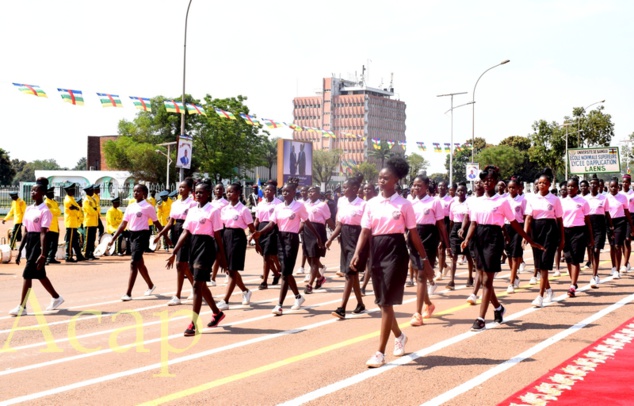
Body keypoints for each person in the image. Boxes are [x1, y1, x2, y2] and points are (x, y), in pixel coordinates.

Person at [350, 157, 427, 368]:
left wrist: (424, 259)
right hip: (376, 250)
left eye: (386, 178)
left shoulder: (404, 204)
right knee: (382, 302)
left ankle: (380, 353)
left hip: (395, 252)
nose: (381, 181)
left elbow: (413, 234)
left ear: (396, 180)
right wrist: (358, 253)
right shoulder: (371, 203)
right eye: (380, 177)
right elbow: (365, 231)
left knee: (386, 304)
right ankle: (400, 336)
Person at [462, 166, 543, 329]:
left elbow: (514, 223)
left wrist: (529, 239)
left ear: (497, 182)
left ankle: (481, 318)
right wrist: (466, 239)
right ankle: (498, 308)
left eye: (490, 180)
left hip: (493, 238)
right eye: (484, 181)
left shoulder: (502, 201)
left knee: (487, 280)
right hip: (478, 238)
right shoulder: (476, 201)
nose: (487, 183)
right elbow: (473, 223)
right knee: (484, 279)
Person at [166, 180, 228, 336]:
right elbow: (185, 232)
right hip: (193, 245)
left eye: (201, 192)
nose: (198, 195)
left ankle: (193, 324)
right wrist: (174, 251)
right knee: (200, 284)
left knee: (196, 286)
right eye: (196, 192)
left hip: (207, 247)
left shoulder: (213, 211)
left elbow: (218, 236)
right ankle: (217, 313)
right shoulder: (193, 210)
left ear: (208, 194)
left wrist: (223, 257)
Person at [254, 178, 323, 315]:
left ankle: (279, 305)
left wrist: (318, 237)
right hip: (279, 238)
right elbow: (272, 223)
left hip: (291, 240)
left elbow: (307, 222)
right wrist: (260, 232)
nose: (285, 193)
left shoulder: (299, 206)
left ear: (293, 192)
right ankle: (298, 296)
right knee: (287, 271)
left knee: (285, 273)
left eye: (288, 191)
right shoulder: (279, 207)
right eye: (283, 191)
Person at [9, 178, 64, 316]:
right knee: (39, 274)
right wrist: (20, 249)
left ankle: (22, 307)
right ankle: (57, 298)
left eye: (36, 190)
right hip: (30, 242)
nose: (33, 192)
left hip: (39, 243)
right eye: (32, 190)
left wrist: (43, 254)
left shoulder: (45, 211)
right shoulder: (29, 208)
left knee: (27, 274)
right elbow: (26, 231)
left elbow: (44, 233)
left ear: (43, 193)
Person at [108, 184, 164, 301]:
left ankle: (128, 293)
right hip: (132, 235)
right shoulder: (130, 206)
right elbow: (123, 224)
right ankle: (150, 285)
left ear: (144, 193)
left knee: (133, 262)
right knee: (139, 263)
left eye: (138, 191)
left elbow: (156, 223)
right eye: (134, 191)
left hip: (142, 235)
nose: (135, 193)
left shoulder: (148, 207)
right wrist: (113, 238)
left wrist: (162, 236)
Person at [408, 175, 450, 326]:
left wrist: (447, 245)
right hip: (413, 238)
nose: (416, 188)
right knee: (421, 274)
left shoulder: (435, 201)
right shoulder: (410, 203)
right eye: (414, 185)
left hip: (429, 238)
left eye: (419, 185)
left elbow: (441, 225)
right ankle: (428, 304)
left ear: (426, 186)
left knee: (421, 275)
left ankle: (417, 314)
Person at [326, 174, 367, 319]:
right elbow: (340, 224)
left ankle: (342, 308)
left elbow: (366, 228)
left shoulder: (363, 205)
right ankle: (360, 304)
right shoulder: (342, 203)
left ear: (355, 189)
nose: (343, 190)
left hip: (357, 238)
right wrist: (331, 238)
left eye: (345, 187)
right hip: (344, 238)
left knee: (349, 273)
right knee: (352, 274)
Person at [216, 183, 260, 310]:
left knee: (233, 270)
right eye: (228, 192)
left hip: (237, 238)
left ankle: (225, 300)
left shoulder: (243, 209)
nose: (229, 194)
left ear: (239, 193)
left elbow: (252, 228)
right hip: (226, 236)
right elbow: (221, 226)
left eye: (232, 192)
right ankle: (245, 291)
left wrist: (257, 243)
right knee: (229, 269)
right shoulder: (224, 209)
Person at [524, 168, 564, 308]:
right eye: (539, 183)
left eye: (544, 183)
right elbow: (528, 218)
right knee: (539, 265)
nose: (541, 185)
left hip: (550, 231)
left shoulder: (555, 199)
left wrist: (562, 238)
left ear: (549, 185)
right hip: (536, 230)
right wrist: (525, 235)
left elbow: (559, 220)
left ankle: (540, 296)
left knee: (545, 264)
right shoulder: (532, 198)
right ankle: (549, 290)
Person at [154, 179, 197, 305]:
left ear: (189, 189)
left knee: (179, 264)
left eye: (184, 187)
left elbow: (192, 220)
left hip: (187, 231)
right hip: (176, 231)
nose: (181, 189)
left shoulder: (193, 204)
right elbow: (170, 222)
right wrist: (161, 234)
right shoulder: (175, 203)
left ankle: (177, 296)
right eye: (180, 187)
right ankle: (196, 287)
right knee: (183, 265)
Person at [561, 177, 594, 297]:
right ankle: (573, 282)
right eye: (568, 186)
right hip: (565, 231)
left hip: (579, 231)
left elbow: (587, 220)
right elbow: (559, 219)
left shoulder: (583, 202)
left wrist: (591, 238)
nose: (570, 188)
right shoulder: (562, 201)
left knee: (575, 258)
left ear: (577, 188)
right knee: (568, 259)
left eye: (572, 186)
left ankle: (572, 285)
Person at [303, 186, 335, 294]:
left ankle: (310, 284)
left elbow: (328, 220)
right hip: (307, 231)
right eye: (309, 191)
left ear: (318, 194)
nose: (310, 193)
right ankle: (320, 278)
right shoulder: (305, 205)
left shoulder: (322, 205)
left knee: (315, 259)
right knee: (308, 257)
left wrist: (336, 232)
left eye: (313, 191)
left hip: (318, 231)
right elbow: (302, 220)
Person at [253, 181, 282, 290]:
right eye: (266, 190)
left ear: (274, 191)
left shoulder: (279, 203)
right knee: (265, 254)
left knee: (267, 255)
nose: (267, 191)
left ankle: (264, 281)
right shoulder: (260, 204)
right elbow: (257, 219)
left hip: (273, 229)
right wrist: (254, 232)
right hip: (261, 229)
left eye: (270, 190)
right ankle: (277, 272)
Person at [585, 174, 611, 287]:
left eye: (595, 184)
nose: (593, 185)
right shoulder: (585, 199)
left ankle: (594, 276)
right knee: (590, 249)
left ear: (599, 186)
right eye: (591, 184)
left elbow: (607, 214)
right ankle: (593, 268)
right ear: (589, 186)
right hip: (588, 225)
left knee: (596, 250)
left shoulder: (604, 198)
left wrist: (611, 227)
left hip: (600, 226)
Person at [606, 177, 634, 279]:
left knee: (618, 245)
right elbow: (604, 212)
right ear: (609, 187)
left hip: (620, 222)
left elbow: (626, 211)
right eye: (611, 187)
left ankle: (617, 270)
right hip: (609, 222)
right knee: (612, 245)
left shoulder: (623, 197)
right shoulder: (606, 198)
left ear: (618, 187)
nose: (613, 188)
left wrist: (631, 225)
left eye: (615, 186)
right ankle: (613, 266)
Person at [447, 183, 473, 290]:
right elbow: (451, 220)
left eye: (463, 190)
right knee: (454, 256)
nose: (460, 192)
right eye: (459, 191)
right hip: (455, 229)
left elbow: (468, 217)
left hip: (466, 229)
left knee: (468, 255)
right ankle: (452, 280)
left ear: (466, 192)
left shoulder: (469, 203)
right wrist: (450, 233)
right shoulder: (453, 204)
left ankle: (470, 277)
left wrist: (463, 229)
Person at [504, 177, 527, 293]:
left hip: (518, 228)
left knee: (514, 255)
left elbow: (525, 216)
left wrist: (525, 233)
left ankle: (511, 283)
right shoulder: (505, 200)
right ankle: (515, 277)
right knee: (508, 254)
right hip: (507, 227)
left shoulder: (522, 200)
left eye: (514, 187)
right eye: (509, 188)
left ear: (518, 188)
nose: (511, 190)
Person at [209, 183, 229, 286]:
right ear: (213, 190)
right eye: (217, 189)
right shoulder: (211, 202)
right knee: (216, 254)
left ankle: (214, 278)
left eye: (221, 189)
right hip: (212, 230)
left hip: (221, 229)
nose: (218, 191)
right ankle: (226, 272)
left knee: (220, 254)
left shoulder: (226, 203)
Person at [63, 184, 84, 262]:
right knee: (70, 241)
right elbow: (74, 212)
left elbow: (77, 209)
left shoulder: (71, 198)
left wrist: (76, 208)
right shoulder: (68, 200)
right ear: (68, 191)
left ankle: (79, 255)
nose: (74, 191)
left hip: (73, 223)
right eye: (72, 190)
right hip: (70, 223)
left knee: (75, 241)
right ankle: (68, 256)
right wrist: (77, 208)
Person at [436, 181, 453, 280]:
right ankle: (445, 266)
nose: (441, 187)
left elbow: (451, 217)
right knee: (435, 249)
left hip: (445, 223)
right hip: (435, 224)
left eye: (443, 186)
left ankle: (440, 271)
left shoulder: (450, 200)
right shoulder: (434, 199)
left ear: (446, 188)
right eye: (439, 185)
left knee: (441, 248)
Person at [44, 187, 61, 265]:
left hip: (55, 226)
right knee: (47, 244)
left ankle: (52, 257)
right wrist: (56, 211)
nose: (53, 194)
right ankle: (46, 258)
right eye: (51, 193)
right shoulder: (46, 203)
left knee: (54, 244)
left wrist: (56, 211)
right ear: (47, 194)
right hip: (49, 226)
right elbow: (52, 212)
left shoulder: (54, 202)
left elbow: (59, 212)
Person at [82, 185, 100, 260]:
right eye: (91, 190)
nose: (93, 191)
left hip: (94, 222)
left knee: (92, 239)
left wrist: (95, 210)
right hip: (89, 222)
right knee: (88, 240)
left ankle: (91, 253)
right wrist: (95, 210)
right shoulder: (86, 200)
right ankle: (86, 254)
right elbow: (90, 211)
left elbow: (98, 208)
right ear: (88, 191)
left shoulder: (92, 200)